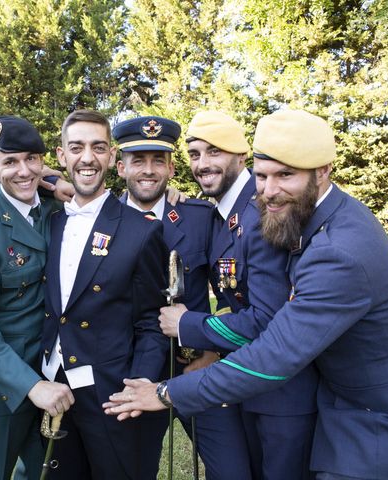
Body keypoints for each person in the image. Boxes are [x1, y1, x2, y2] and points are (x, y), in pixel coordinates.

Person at [104, 109, 388, 479]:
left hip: (370, 418)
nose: (269, 191)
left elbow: (274, 351)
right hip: (335, 401)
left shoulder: (338, 250)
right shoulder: (310, 214)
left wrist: (167, 391)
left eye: (286, 174)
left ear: (323, 170)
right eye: (262, 176)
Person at [159, 110, 318, 479]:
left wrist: (189, 325)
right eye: (195, 154)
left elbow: (269, 320)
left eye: (214, 152)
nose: (202, 164)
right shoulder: (224, 213)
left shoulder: (261, 214)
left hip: (284, 396)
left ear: (242, 156)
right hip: (252, 384)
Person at [113, 115, 254, 480]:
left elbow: (228, 292)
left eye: (158, 160)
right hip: (133, 373)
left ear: (172, 167)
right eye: (138, 160)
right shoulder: (100, 222)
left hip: (196, 365)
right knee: (133, 469)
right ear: (119, 166)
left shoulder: (200, 217)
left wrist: (212, 350)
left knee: (232, 470)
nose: (148, 170)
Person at [40, 109, 169, 479]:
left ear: (112, 157)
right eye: (76, 147)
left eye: (98, 148)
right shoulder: (50, 221)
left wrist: (140, 385)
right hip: (53, 385)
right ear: (61, 156)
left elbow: (151, 321)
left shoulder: (142, 231)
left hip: (112, 394)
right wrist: (47, 181)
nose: (87, 158)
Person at [0, 116, 75, 480]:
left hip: (53, 373)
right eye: (10, 162)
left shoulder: (56, 210)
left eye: (31, 159)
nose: (23, 171)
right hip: (0, 388)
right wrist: (30, 385)